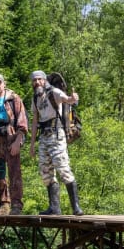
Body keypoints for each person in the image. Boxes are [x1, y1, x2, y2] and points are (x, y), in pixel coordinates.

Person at [29, 70, 83, 216]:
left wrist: (73, 98)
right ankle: (54, 207)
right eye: (34, 80)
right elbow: (35, 122)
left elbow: (67, 99)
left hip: (56, 134)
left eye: (39, 79)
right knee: (45, 172)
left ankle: (76, 207)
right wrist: (32, 144)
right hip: (43, 136)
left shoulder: (54, 92)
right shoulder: (35, 98)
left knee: (63, 168)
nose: (37, 82)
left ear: (44, 80)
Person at [0, 74, 28, 215]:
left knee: (14, 171)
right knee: (0, 172)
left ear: (4, 83)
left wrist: (18, 141)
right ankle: (4, 204)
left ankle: (16, 205)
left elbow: (22, 122)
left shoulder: (14, 99)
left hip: (11, 136)